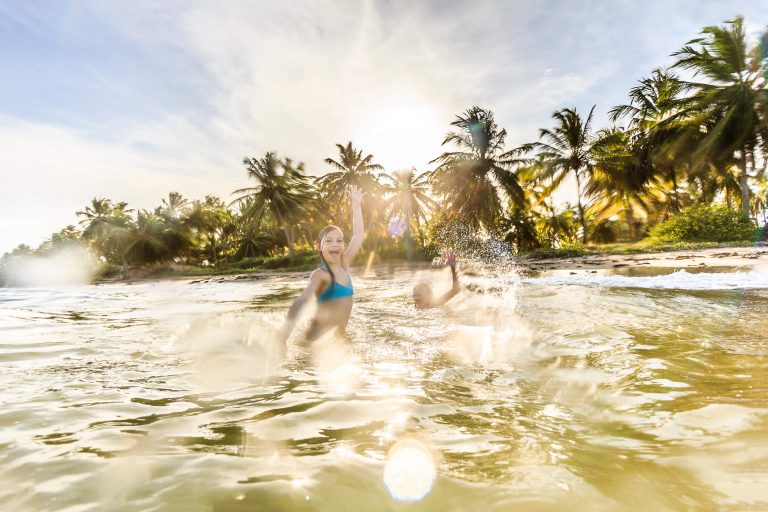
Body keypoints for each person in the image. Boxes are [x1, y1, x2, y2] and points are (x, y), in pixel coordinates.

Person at [277, 185, 365, 345]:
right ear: (319, 246)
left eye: (339, 240)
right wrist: (283, 335)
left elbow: (358, 234)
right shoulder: (320, 275)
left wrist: (357, 205)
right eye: (329, 241)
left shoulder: (344, 263)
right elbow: (301, 300)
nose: (335, 244)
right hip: (317, 338)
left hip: (337, 339)